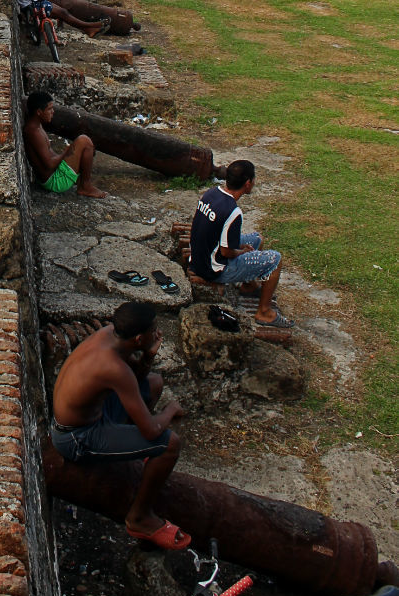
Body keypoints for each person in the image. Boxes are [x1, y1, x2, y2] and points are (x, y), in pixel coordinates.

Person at [51, 302, 189, 550]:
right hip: (75, 438)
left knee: (154, 383)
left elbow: (136, 381)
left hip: (92, 415)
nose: (157, 333)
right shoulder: (114, 368)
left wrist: (148, 356)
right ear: (138, 338)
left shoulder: (107, 334)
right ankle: (139, 517)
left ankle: (130, 454)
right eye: (153, 330)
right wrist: (171, 410)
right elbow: (151, 430)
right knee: (170, 444)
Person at [189, 160, 292, 328]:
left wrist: (242, 249)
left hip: (199, 257)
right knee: (275, 259)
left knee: (257, 238)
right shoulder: (233, 211)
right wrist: (241, 252)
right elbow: (227, 252)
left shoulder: (211, 193)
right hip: (213, 269)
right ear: (247, 183)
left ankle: (248, 285)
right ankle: (264, 312)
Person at [23, 90, 105, 198]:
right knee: (84, 141)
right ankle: (85, 186)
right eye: (49, 109)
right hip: (54, 182)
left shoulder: (37, 125)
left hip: (52, 176)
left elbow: (50, 156)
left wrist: (68, 154)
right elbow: (49, 165)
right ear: (39, 112)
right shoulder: (34, 132)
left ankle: (83, 183)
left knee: (84, 145)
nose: (53, 112)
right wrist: (65, 152)